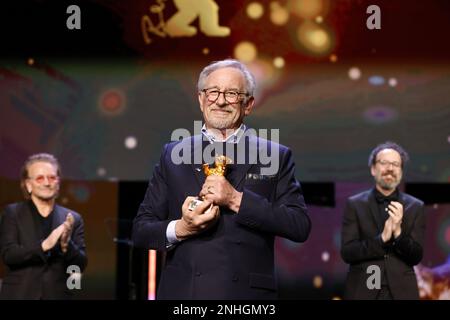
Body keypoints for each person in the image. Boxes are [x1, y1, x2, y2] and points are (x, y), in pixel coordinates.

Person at [132, 59, 311, 299]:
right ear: (201, 99)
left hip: (245, 297)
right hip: (185, 294)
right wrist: (182, 228)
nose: (220, 100)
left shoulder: (276, 156)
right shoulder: (172, 155)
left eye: (232, 93)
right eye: (213, 92)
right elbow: (142, 231)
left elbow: (298, 225)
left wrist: (236, 199)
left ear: (248, 105)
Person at [341, 141, 426, 299]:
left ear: (400, 171)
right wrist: (381, 239)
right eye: (384, 163)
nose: (390, 168)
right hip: (363, 290)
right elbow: (347, 252)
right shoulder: (355, 204)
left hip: (402, 292)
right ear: (373, 169)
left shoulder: (415, 206)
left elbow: (416, 256)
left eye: (395, 164)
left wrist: (399, 234)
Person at [0, 153, 87, 299]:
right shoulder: (12, 213)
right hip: (20, 294)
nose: (47, 183)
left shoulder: (73, 218)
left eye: (52, 177)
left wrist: (66, 246)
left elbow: (79, 266)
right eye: (40, 178)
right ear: (28, 185)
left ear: (58, 183)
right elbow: (9, 255)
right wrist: (44, 246)